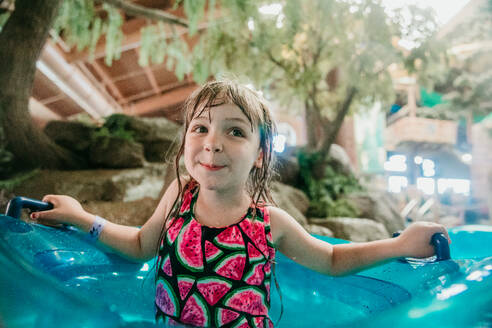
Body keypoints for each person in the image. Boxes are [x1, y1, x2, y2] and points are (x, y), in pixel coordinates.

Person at [31, 80, 451, 328]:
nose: (212, 142)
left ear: (261, 154)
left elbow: (332, 260)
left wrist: (398, 246)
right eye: (200, 128)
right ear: (185, 144)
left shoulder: (271, 223)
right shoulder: (179, 197)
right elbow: (142, 245)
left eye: (235, 132)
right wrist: (83, 218)